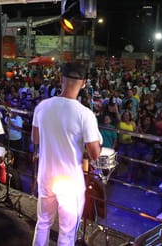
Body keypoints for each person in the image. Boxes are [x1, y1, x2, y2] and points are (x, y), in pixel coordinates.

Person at [31, 62, 102, 246]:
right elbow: (94, 155)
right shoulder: (85, 114)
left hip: (46, 175)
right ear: (84, 83)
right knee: (67, 233)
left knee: (43, 223)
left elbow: (35, 139)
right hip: (70, 180)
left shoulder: (42, 106)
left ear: (61, 79)